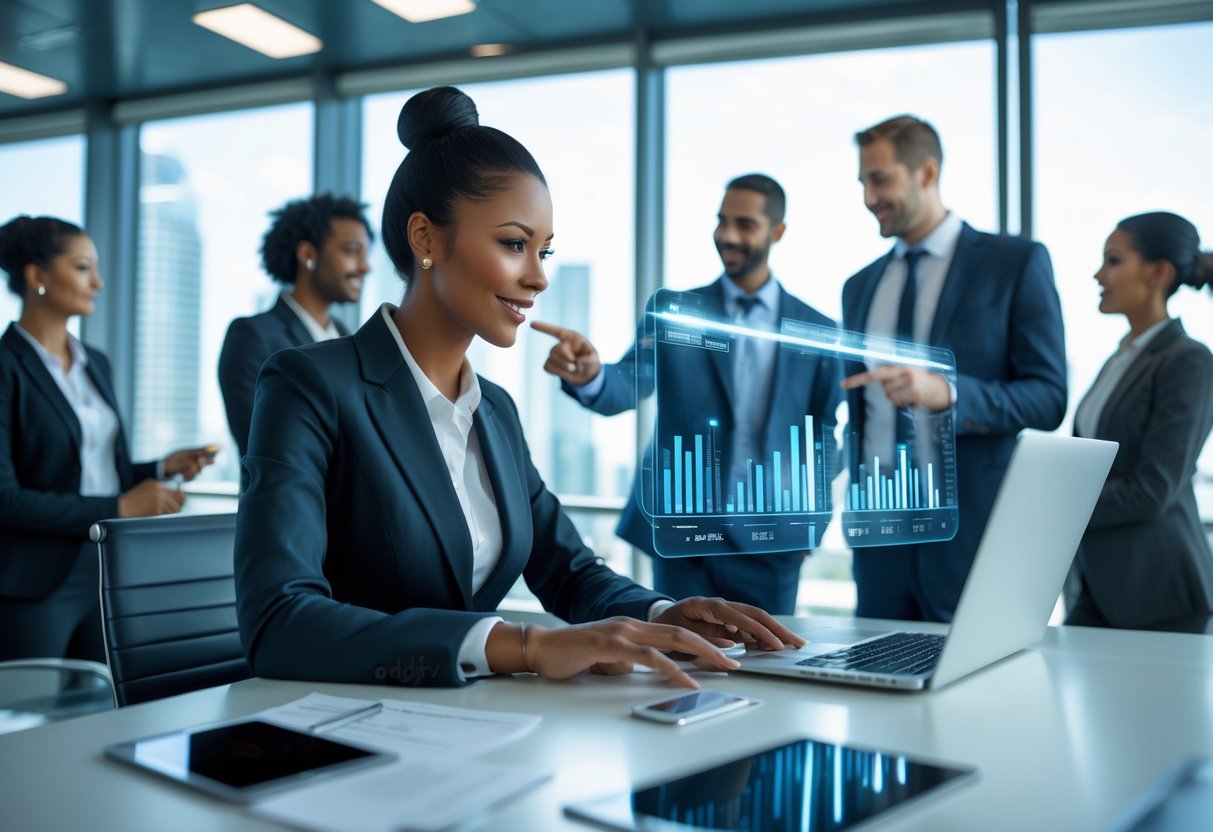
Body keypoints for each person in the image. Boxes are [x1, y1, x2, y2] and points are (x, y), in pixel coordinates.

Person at [234, 87, 803, 689]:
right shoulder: (309, 385)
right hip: (342, 726)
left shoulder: (495, 411)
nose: (537, 277)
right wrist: (525, 645)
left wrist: (662, 613)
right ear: (425, 239)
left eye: (544, 251)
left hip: (473, 724)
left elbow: (568, 570)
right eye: (514, 244)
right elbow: (278, 622)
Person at [534, 175, 842, 615]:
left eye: (745, 224)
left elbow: (823, 438)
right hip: (686, 539)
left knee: (770, 656)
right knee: (680, 653)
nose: (728, 235)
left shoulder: (817, 331)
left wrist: (810, 528)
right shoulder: (675, 313)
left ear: (777, 232)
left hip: (771, 544)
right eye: (722, 221)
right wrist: (591, 376)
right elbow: (631, 379)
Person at [841, 115, 1067, 622]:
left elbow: (1049, 396)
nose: (868, 198)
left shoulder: (1014, 263)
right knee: (874, 668)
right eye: (862, 183)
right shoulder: (859, 287)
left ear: (926, 172)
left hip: (971, 539)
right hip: (878, 544)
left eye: (879, 179)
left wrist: (949, 392)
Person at [0, 215, 216, 661]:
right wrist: (118, 508)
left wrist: (160, 468)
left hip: (109, 565)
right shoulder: (6, 367)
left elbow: (91, 470)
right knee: (35, 704)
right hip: (37, 580)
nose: (98, 282)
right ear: (37, 276)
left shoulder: (95, 363)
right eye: (83, 268)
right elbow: (6, 499)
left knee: (108, 698)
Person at [1066, 212, 1213, 632]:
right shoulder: (1120, 359)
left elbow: (1153, 488)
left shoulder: (1188, 360)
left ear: (1158, 273)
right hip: (1100, 584)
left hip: (1159, 591)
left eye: (1113, 260)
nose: (1099, 274)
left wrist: (1060, 508)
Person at [218, 193, 372, 457]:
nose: (365, 266)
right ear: (308, 254)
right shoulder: (252, 337)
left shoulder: (352, 341)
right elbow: (262, 447)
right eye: (351, 251)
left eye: (365, 254)